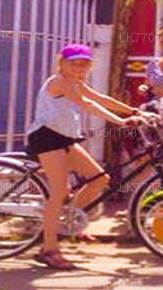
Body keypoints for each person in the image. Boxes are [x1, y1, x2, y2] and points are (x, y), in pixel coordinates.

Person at [26, 44, 149, 270]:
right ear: (61, 63)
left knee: (99, 179)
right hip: (46, 138)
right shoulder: (59, 82)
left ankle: (67, 220)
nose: (79, 67)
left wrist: (134, 112)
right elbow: (87, 104)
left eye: (84, 64)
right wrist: (121, 121)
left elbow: (100, 98)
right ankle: (49, 249)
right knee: (60, 192)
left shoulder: (77, 83)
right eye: (74, 63)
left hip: (64, 139)